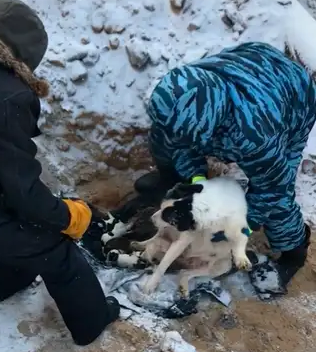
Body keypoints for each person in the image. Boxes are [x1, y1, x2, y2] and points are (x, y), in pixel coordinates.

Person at [0, 0, 119, 346]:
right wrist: (67, 217)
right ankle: (92, 322)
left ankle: (6, 283)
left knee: (9, 228)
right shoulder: (11, 97)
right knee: (57, 251)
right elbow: (22, 192)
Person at [134, 42, 316, 290]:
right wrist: (195, 182)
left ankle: (294, 249)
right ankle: (171, 178)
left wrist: (236, 228)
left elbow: (273, 186)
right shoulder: (184, 88)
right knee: (162, 139)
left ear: (213, 127)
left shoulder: (254, 133)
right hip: (248, 63)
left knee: (276, 196)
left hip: (295, 99)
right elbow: (176, 140)